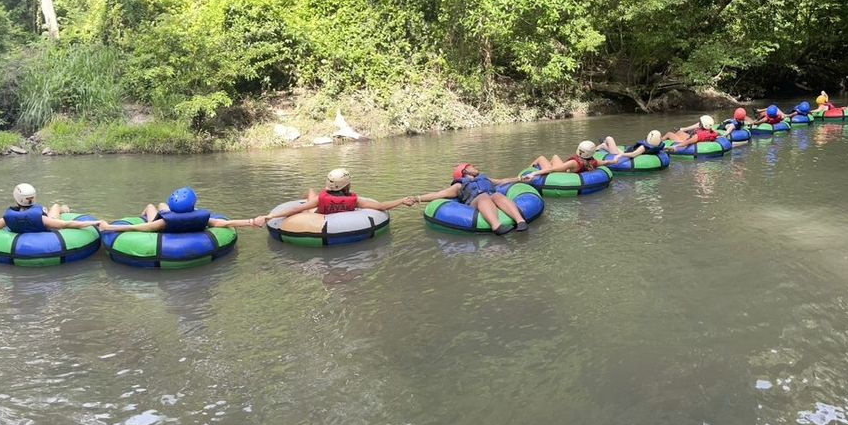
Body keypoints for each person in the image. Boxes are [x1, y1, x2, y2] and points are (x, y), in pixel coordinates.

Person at [414, 163, 534, 235]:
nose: (476, 167)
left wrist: (520, 179)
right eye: (472, 166)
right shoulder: (458, 185)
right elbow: (438, 194)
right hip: (475, 203)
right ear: (464, 171)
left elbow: (502, 181)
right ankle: (496, 226)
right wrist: (417, 198)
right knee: (483, 197)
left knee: (497, 195)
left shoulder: (485, 178)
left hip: (491, 197)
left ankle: (520, 221)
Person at [259, 168, 415, 223]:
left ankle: (306, 194)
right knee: (309, 199)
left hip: (315, 217)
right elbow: (381, 207)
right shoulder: (355, 201)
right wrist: (402, 200)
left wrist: (270, 217)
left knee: (310, 193)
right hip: (319, 219)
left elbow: (293, 210)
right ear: (346, 185)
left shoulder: (321, 199)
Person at [96, 187, 265, 234]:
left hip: (158, 223)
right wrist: (251, 222)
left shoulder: (162, 222)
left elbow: (136, 228)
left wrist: (109, 227)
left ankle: (143, 214)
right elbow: (225, 223)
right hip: (178, 218)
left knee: (151, 206)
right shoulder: (203, 219)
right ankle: (160, 207)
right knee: (162, 205)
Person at [0, 183, 99, 236]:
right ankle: (64, 209)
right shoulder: (42, 218)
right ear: (33, 198)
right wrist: (95, 223)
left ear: (16, 198)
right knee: (56, 206)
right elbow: (66, 224)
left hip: (21, 230)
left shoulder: (8, 218)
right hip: (47, 223)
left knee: (52, 209)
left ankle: (61, 208)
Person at [527, 140, 623, 175]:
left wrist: (534, 173)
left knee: (541, 158)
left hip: (561, 173)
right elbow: (605, 162)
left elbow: (552, 170)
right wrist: (614, 160)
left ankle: (529, 169)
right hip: (569, 170)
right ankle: (542, 165)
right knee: (555, 156)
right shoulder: (594, 162)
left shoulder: (573, 162)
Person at [599, 130, 665, 159]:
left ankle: (603, 144)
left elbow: (633, 154)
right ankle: (603, 145)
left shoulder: (643, 147)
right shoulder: (655, 147)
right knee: (610, 144)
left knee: (609, 138)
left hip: (618, 155)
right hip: (625, 152)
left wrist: (620, 155)